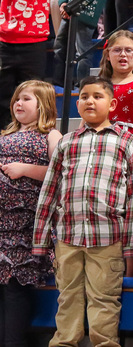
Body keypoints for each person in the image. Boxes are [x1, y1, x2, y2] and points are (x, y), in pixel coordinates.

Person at [32, 77, 133, 347]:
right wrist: (40, 240)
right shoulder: (66, 142)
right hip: (68, 238)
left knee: (104, 302)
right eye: (84, 96)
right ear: (77, 104)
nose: (89, 101)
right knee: (67, 299)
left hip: (108, 239)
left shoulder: (127, 142)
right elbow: (49, 192)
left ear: (112, 104)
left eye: (97, 96)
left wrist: (132, 247)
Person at [0, 81, 61, 347]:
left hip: (26, 226)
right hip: (1, 225)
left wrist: (25, 169)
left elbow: (60, 171)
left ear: (43, 105)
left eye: (26, 99)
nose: (18, 103)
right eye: (16, 99)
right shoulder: (5, 135)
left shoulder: (51, 135)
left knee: (15, 287)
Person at [0, 0, 70, 124]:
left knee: (31, 92)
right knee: (3, 92)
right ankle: (5, 131)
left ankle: (29, 128)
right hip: (5, 46)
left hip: (34, 48)